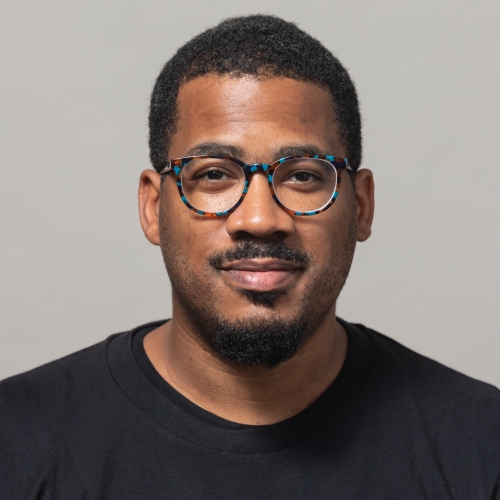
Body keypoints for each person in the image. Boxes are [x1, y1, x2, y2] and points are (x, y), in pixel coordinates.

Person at [1, 14, 499, 499]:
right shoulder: (17, 441)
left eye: (304, 175)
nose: (260, 219)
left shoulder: (480, 443)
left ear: (362, 205)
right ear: (154, 208)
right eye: (214, 174)